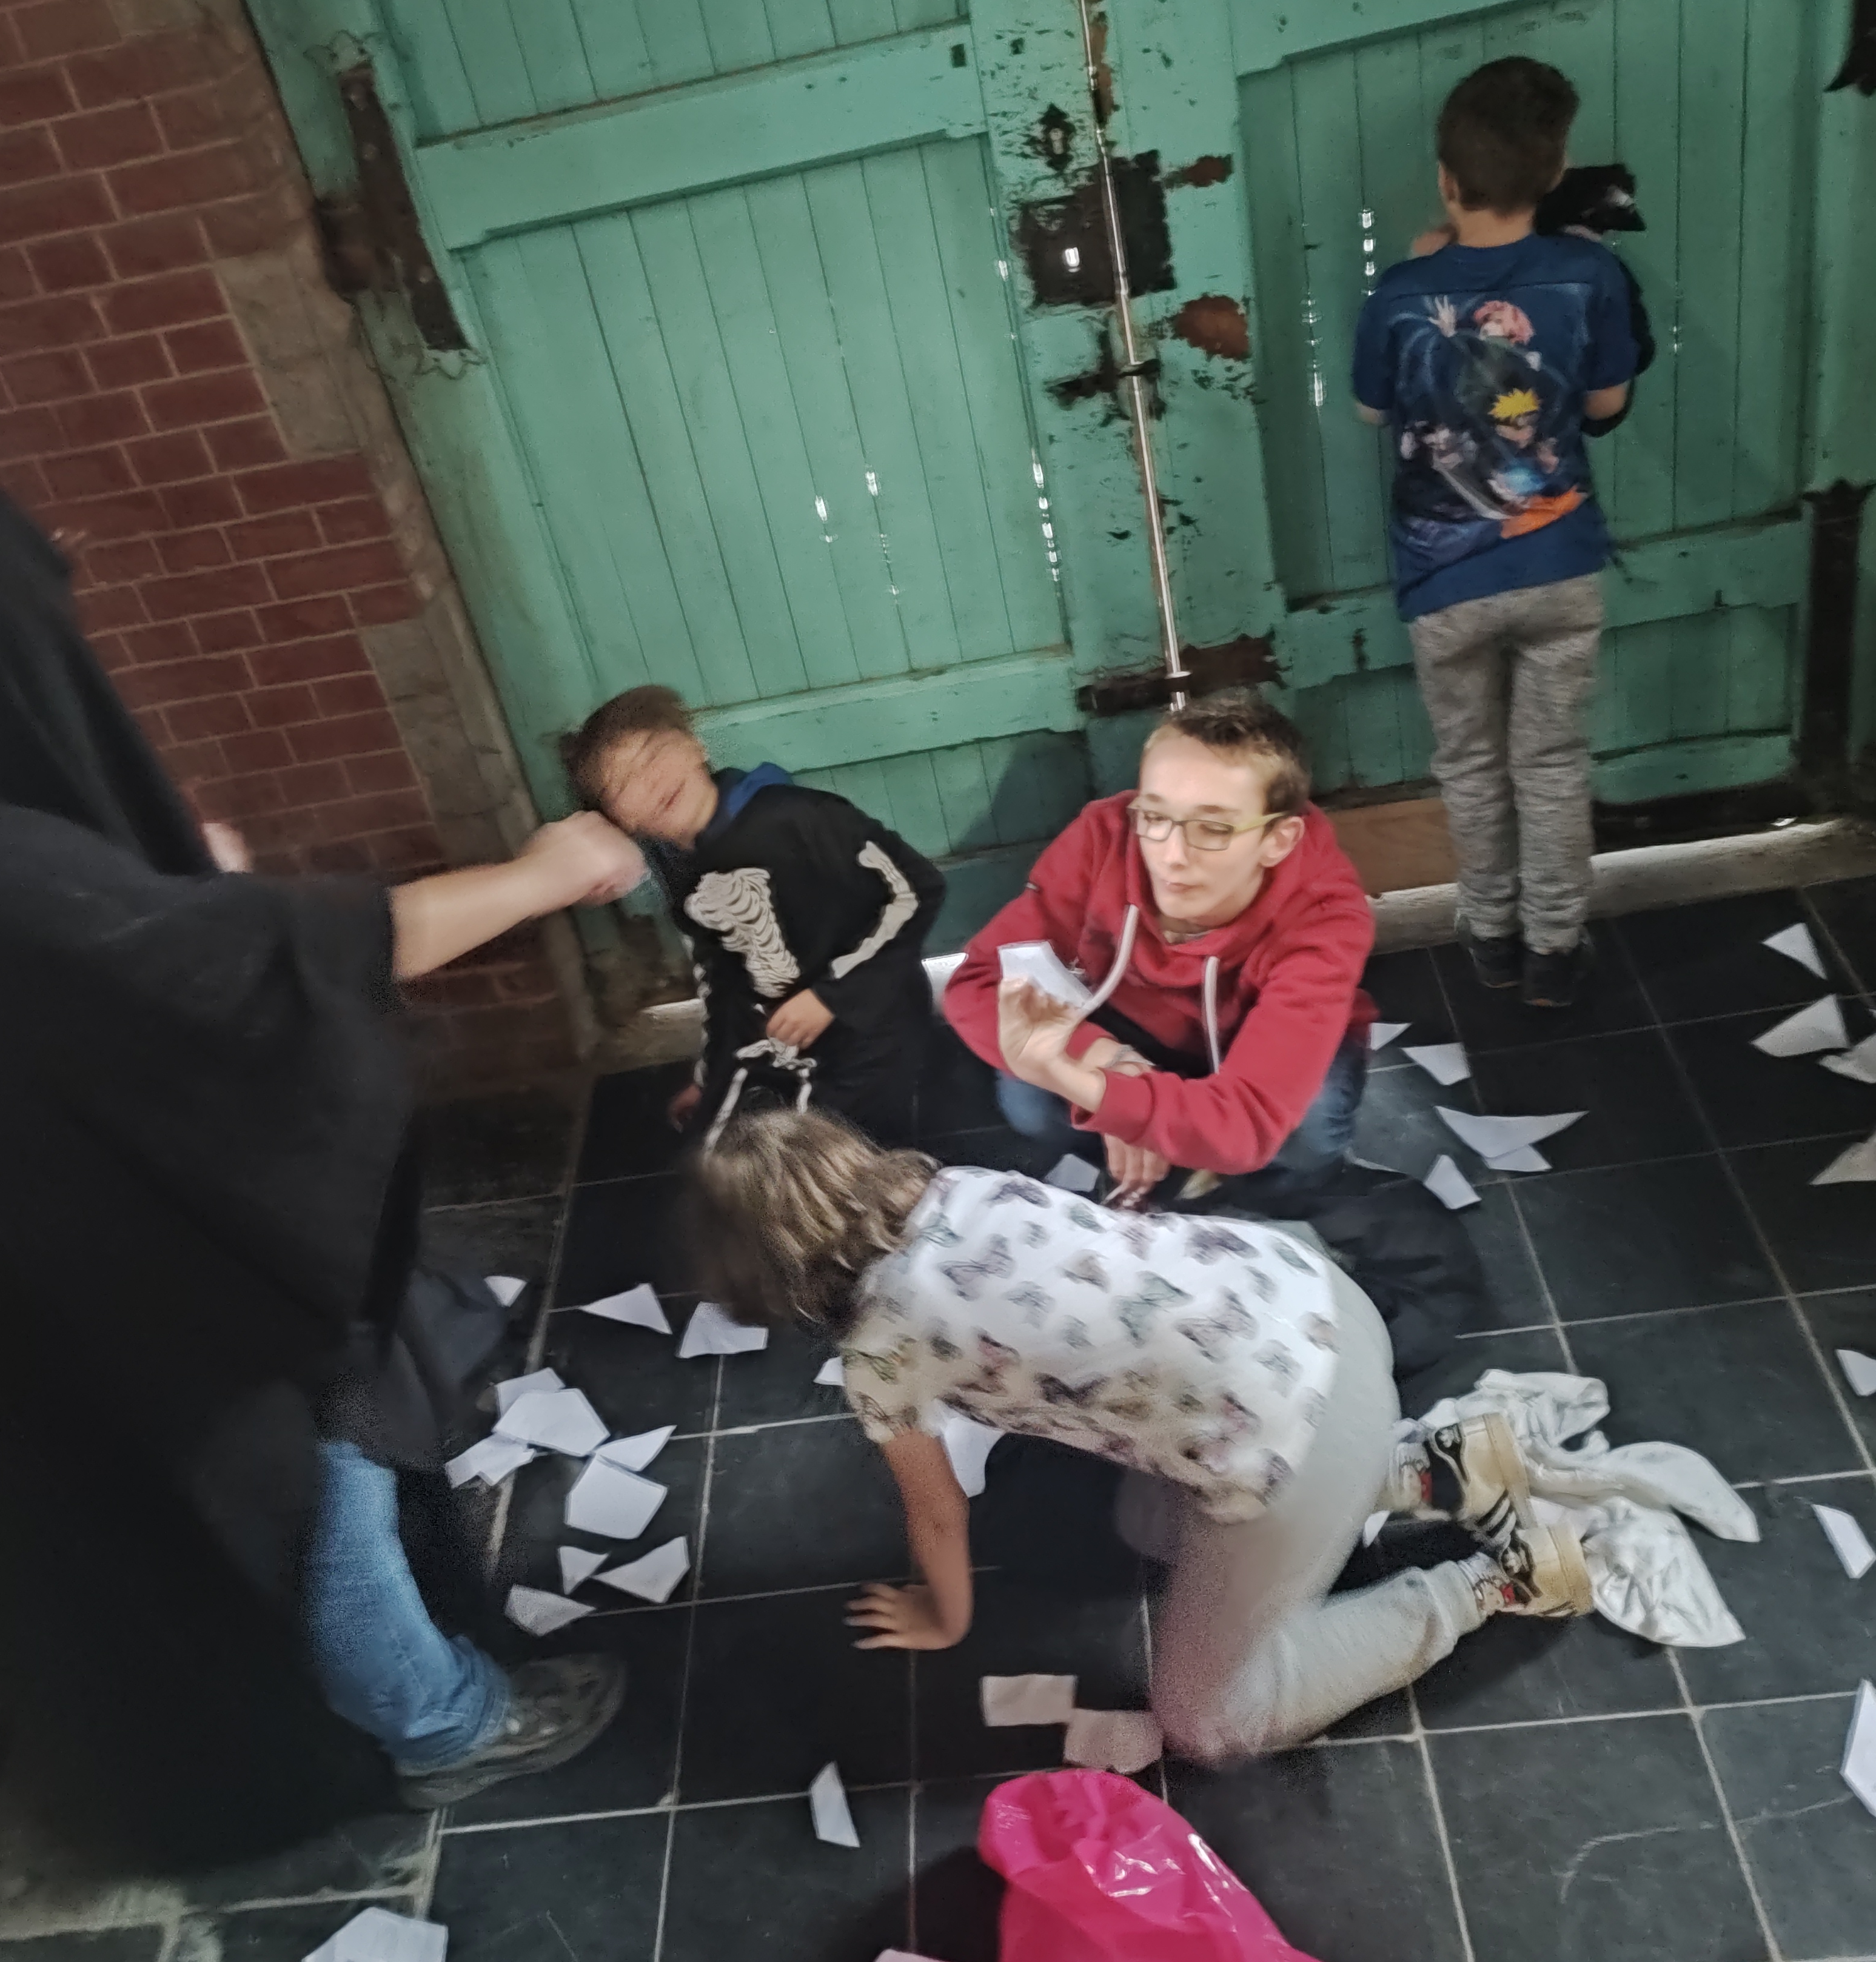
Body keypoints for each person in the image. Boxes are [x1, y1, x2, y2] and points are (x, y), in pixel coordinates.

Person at [0, 462, 645, 1857]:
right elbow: (262, 975)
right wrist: (542, 875)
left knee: (326, 1440)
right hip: (156, 1285)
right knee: (320, 1469)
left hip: (57, 1256)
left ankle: (421, 1692)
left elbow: (84, 978)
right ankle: (443, 1724)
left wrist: (162, 898)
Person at [682, 1107, 1595, 1761]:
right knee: (1143, 1521)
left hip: (1288, 1438)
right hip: (1321, 1302)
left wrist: (942, 1616)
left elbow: (937, 1514)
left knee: (1208, 1721)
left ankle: (1497, 1582)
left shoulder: (879, 1358)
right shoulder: (956, 1187)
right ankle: (1431, 1471)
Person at [1352, 56, 1640, 1008]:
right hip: (1558, 566)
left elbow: (1371, 410)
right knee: (1550, 767)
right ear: (1554, 174)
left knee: (1471, 767)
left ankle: (1490, 938)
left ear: (1447, 179)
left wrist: (1429, 273)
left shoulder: (1400, 292)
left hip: (1443, 582)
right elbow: (1606, 403)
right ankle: (1555, 949)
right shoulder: (1590, 273)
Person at [939, 692, 1374, 1213]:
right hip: (1128, 1029)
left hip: (1253, 1042)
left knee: (1310, 1133)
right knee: (1027, 1102)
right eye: (1154, 815)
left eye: (1213, 828)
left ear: (1278, 840)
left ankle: (1265, 1188)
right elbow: (979, 980)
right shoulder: (1104, 836)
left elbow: (1248, 1123)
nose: (1171, 856)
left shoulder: (1325, 915)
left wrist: (1111, 1100)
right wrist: (1111, 1069)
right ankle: (1168, 1150)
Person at [561, 685, 944, 1145]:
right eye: (623, 785)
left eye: (656, 753)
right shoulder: (678, 867)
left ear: (695, 745)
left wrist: (831, 997)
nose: (652, 781)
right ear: (617, 819)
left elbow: (918, 889)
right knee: (719, 1148)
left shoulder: (801, 818)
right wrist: (712, 1076)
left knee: (844, 1154)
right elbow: (721, 976)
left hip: (872, 1018)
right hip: (785, 1036)